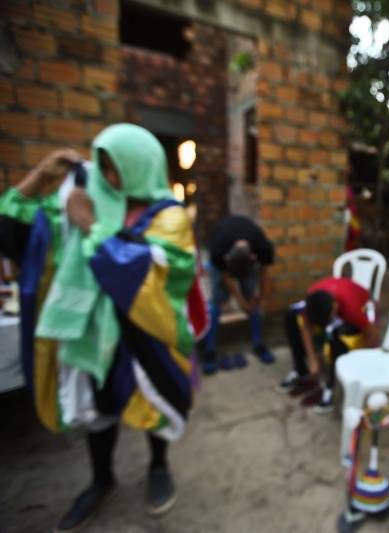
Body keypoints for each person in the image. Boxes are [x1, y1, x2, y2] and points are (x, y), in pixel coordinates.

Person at [0, 124, 203, 531]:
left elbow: (145, 270)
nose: (110, 179)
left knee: (153, 405)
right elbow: (13, 237)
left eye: (118, 168)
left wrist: (91, 227)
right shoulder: (83, 200)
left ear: (142, 166)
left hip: (146, 337)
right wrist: (39, 178)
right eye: (104, 167)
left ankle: (159, 468)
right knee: (100, 408)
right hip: (94, 336)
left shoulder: (168, 215)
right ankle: (101, 479)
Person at [279, 277, 380, 414]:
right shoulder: (311, 299)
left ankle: (331, 386)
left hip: (362, 302)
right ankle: (300, 370)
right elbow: (306, 328)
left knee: (337, 333)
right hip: (337, 294)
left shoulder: (352, 311)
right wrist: (312, 359)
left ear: (335, 307)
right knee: (291, 316)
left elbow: (373, 335)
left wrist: (353, 359)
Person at [203, 215, 275, 373]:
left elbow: (264, 273)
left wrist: (261, 298)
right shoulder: (218, 250)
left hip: (246, 260)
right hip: (221, 264)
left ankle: (258, 344)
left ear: (253, 258)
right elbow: (227, 278)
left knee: (253, 301)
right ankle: (209, 350)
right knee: (216, 303)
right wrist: (240, 301)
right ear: (227, 258)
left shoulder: (263, 247)